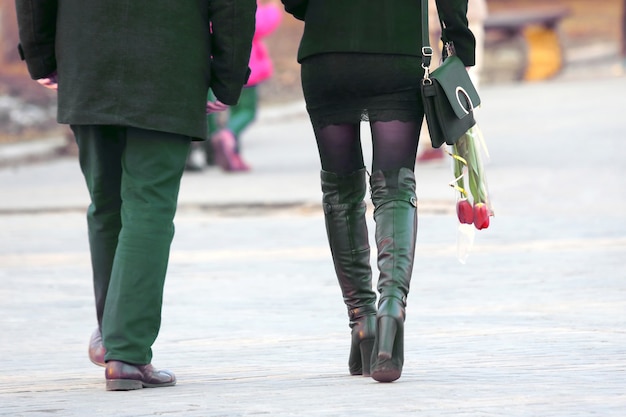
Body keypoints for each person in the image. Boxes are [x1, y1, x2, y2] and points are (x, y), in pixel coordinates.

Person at [15, 0, 256, 390]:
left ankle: (114, 339)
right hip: (169, 64)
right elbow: (232, 6)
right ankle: (125, 351)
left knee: (106, 202)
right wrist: (228, 79)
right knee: (148, 206)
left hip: (87, 57)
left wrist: (41, 55)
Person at [280, 0, 476, 382]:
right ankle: (391, 307)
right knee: (395, 187)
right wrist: (458, 41)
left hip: (326, 53)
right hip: (397, 53)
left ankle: (361, 321)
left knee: (340, 191)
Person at [208, 0, 282, 172]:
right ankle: (226, 137)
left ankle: (233, 154)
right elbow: (259, 25)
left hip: (217, 63)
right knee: (247, 112)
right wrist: (274, 8)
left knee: (233, 113)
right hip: (246, 66)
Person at [416, 0, 487, 162]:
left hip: (464, 12)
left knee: (462, 79)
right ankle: (430, 141)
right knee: (425, 79)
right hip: (421, 15)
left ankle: (467, 140)